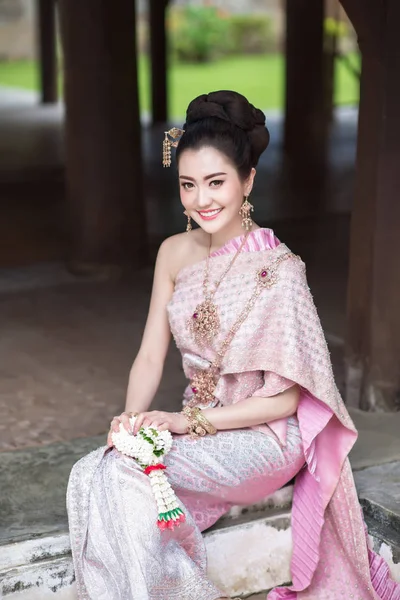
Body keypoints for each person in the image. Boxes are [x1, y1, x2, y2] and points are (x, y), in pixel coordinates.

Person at [67, 90, 400, 600]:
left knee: (117, 478)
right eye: (188, 184)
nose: (202, 200)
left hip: (264, 437)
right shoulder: (173, 253)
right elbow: (151, 353)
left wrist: (186, 423)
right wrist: (129, 424)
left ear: (247, 180)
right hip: (198, 428)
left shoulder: (279, 271)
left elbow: (286, 400)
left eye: (217, 182)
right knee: (100, 470)